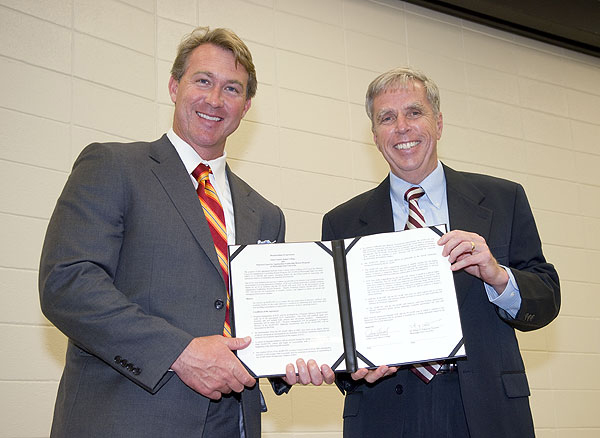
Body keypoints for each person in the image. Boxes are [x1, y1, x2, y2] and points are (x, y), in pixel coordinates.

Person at [39, 26, 332, 438]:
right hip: (128, 418)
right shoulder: (113, 166)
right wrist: (180, 353)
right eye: (203, 81)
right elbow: (68, 284)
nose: (215, 100)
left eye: (232, 89)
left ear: (246, 106)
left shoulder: (266, 214)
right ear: (175, 86)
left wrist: (308, 357)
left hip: (235, 423)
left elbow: (264, 326)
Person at [321, 67, 560, 438]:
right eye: (387, 117)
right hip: (384, 412)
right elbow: (336, 334)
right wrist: (350, 368)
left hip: (486, 410)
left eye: (414, 112)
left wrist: (498, 276)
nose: (402, 127)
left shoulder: (503, 199)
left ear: (439, 122)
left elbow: (546, 300)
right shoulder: (343, 222)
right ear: (374, 135)